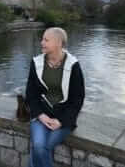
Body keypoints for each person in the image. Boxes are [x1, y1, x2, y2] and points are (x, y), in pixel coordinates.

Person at [25, 27, 85, 167]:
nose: (42, 42)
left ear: (58, 43)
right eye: (42, 39)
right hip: (41, 116)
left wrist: (61, 121)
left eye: (46, 40)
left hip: (63, 118)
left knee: (39, 148)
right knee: (39, 146)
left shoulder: (73, 65)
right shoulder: (36, 62)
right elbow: (31, 94)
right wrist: (40, 115)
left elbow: (78, 99)